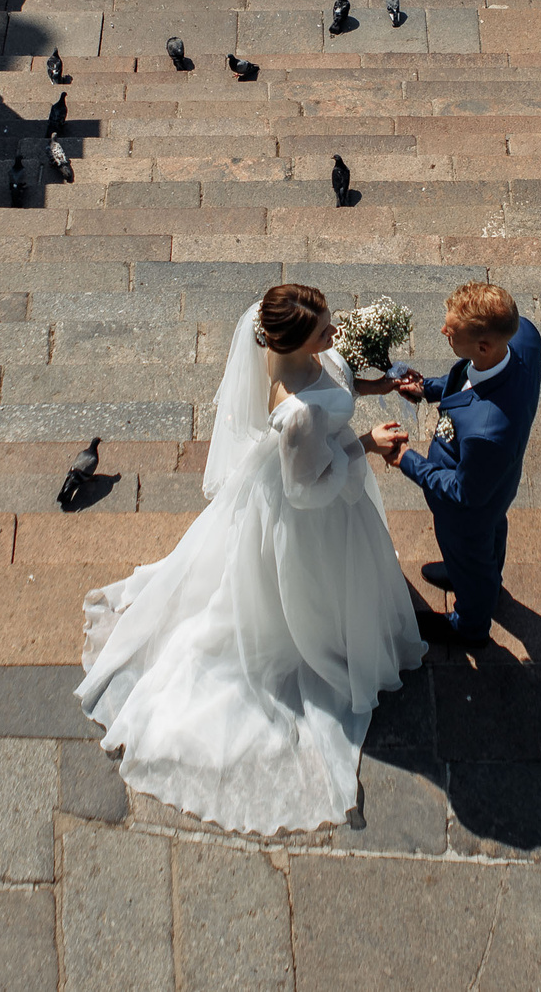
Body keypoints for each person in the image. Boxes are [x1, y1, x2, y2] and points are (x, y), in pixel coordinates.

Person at [76, 284, 425, 833]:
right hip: (310, 517)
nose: (335, 336)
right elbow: (307, 490)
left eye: (330, 324)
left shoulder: (293, 350)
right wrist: (367, 444)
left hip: (310, 476)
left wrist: (383, 383)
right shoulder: (298, 414)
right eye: (324, 331)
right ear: (292, 341)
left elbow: (338, 373)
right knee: (312, 599)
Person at [386, 282, 541, 649]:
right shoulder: (522, 338)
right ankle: (476, 574)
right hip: (495, 486)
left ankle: (470, 625)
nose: (444, 332)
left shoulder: (487, 430)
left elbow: (462, 491)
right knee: (490, 536)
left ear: (483, 346)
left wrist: (405, 460)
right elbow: (469, 381)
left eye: (451, 332)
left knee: (470, 549)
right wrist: (429, 389)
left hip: (467, 510)